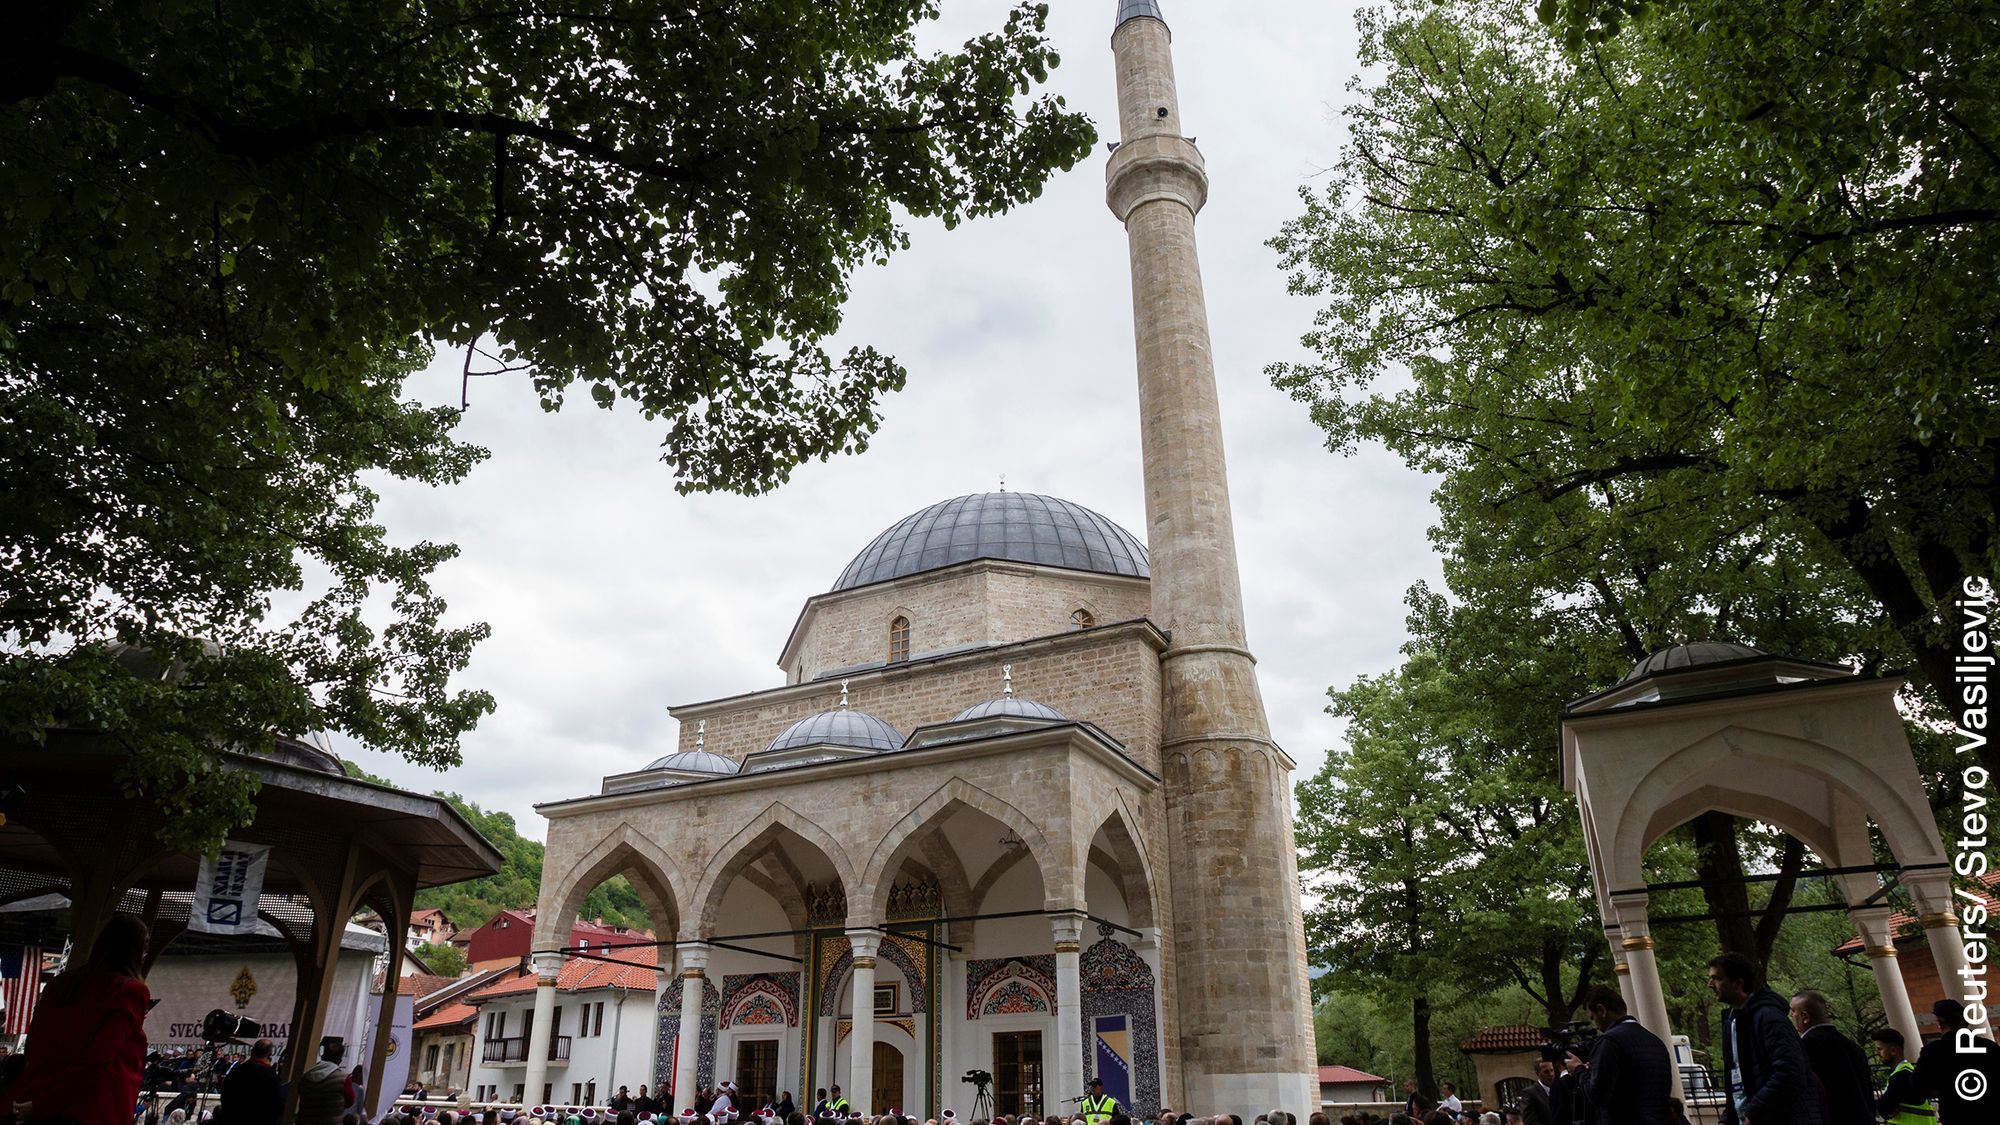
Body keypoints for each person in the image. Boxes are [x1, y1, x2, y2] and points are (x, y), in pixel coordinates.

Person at [11, 913, 152, 1125]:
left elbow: (34, 1044)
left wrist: (39, 1102)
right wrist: (43, 1106)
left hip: (36, 1093)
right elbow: (98, 1060)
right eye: (144, 948)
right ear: (134, 950)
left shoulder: (59, 984)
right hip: (89, 1108)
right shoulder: (130, 991)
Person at [1708, 952, 1823, 1125]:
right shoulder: (1733, 1020)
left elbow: (1789, 1072)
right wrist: (1729, 1117)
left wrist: (1754, 1113)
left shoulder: (1769, 1018)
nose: (1711, 984)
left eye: (1717, 978)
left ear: (1738, 983)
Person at [1564, 984, 1671, 1125]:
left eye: (1592, 1018)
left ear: (1601, 1010)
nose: (1595, 1026)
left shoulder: (1610, 1041)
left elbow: (1597, 1094)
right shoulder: (1656, 1042)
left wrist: (1579, 1070)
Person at [1788, 990, 1871, 1125]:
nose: (1792, 1015)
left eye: (1793, 1011)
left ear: (1805, 1017)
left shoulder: (1805, 1047)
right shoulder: (1853, 1047)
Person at [1913, 998, 2000, 1125]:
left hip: (1955, 1116)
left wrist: (1944, 1089)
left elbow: (1918, 1089)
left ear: (1939, 1022)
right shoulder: (1990, 1047)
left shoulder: (1933, 1051)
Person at [213, 1038, 284, 1125]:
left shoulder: (236, 1071)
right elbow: (277, 1105)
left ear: (252, 1051)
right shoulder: (271, 1076)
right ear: (270, 1054)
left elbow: (224, 1094)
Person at [1868, 1028, 1930, 1125]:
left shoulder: (1900, 1076)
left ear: (1893, 1050)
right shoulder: (1910, 1070)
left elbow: (1884, 1107)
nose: (1877, 1053)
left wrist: (1883, 1109)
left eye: (1880, 1049)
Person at [298, 1036, 355, 1125]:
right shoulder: (343, 1079)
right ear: (340, 1060)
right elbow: (350, 1101)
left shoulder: (306, 1076)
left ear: (323, 1056)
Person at [1517, 1059, 1560, 1125]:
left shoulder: (1560, 1089)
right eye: (1546, 1072)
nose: (1551, 1074)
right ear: (1537, 1073)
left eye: (1552, 1070)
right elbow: (1530, 1122)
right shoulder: (1529, 1094)